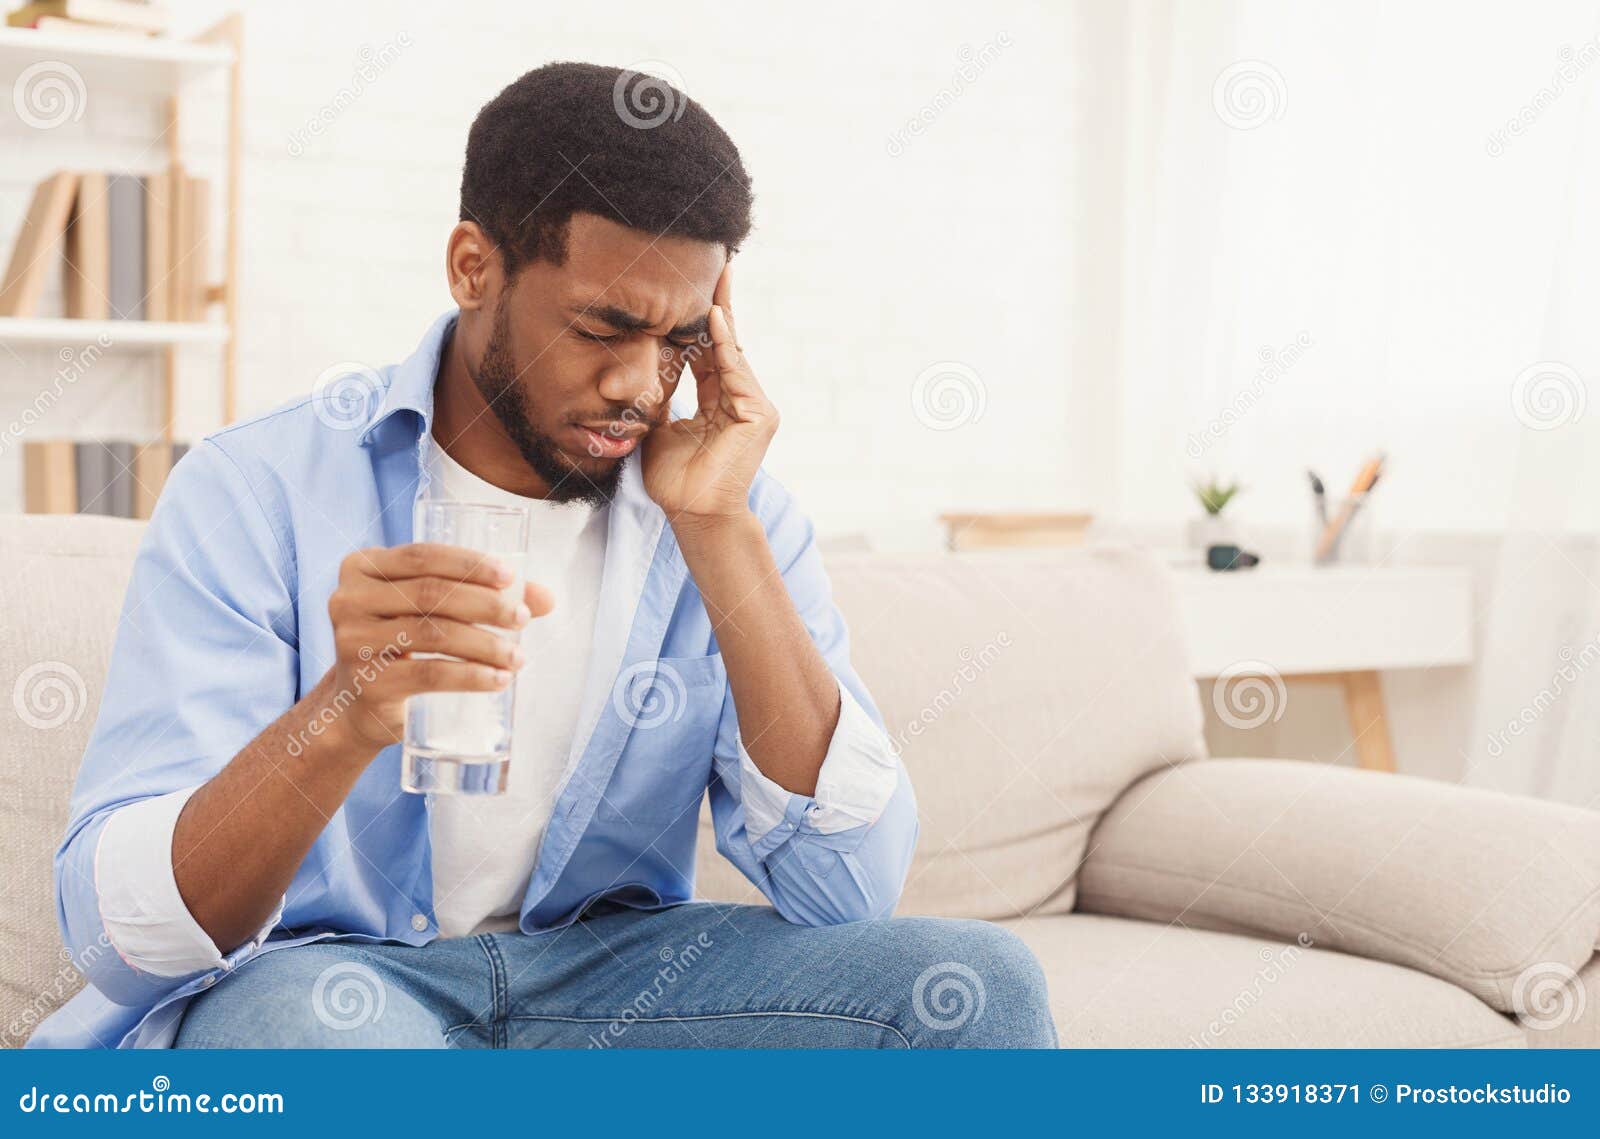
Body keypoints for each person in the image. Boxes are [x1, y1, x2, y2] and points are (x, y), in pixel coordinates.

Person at [32, 62, 1054, 1050]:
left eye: (679, 340)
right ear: (474, 265)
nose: (642, 384)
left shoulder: (729, 513)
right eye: (604, 326)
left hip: (611, 979)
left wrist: (720, 533)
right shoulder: (256, 490)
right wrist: (341, 715)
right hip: (335, 975)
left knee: (969, 988)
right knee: (305, 1034)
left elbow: (848, 888)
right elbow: (121, 934)